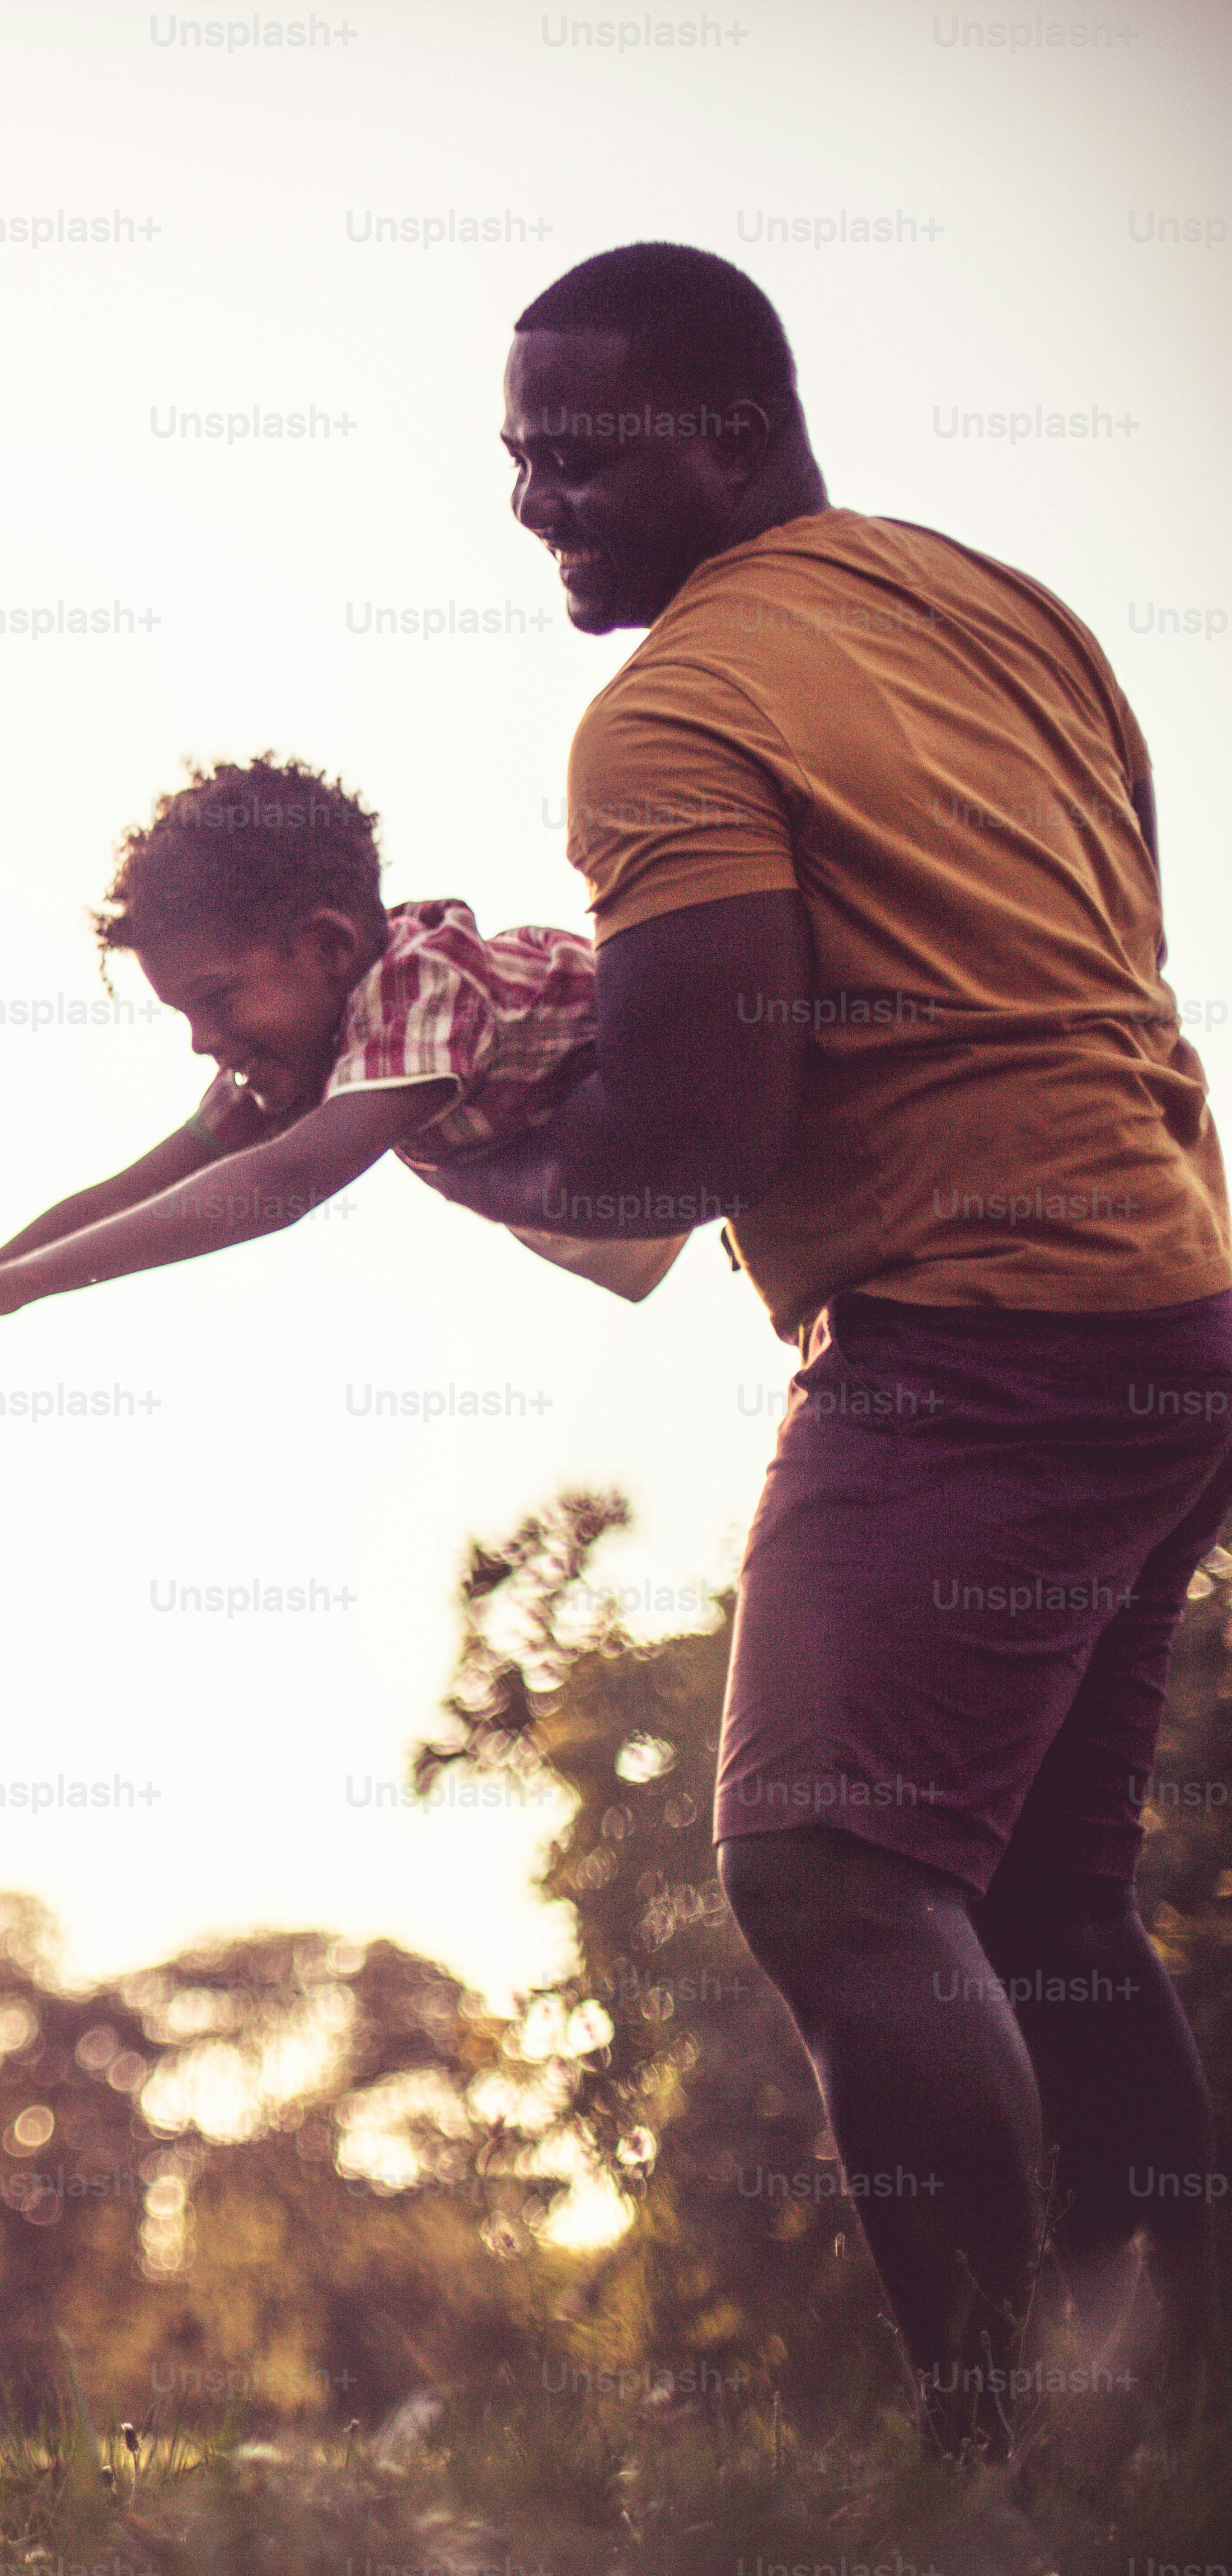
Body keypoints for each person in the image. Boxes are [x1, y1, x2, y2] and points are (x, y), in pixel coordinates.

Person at [429, 239, 1228, 2460]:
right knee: (1049, 1892)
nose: (532, 502)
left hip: (976, 1340)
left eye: (575, 455)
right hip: (1173, 1301)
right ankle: (1169, 2439)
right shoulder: (996, 598)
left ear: (732, 424)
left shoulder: (673, 709)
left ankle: (981, 2459)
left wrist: (451, 1138)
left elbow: (690, 1127)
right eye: (512, 458)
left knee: (826, 1868)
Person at [0, 754, 681, 1419]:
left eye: (216, 1001)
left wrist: (12, 1286)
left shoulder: (422, 980)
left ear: (329, 945)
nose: (202, 1044)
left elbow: (282, 1185)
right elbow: (122, 1195)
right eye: (184, 1015)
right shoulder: (309, 1049)